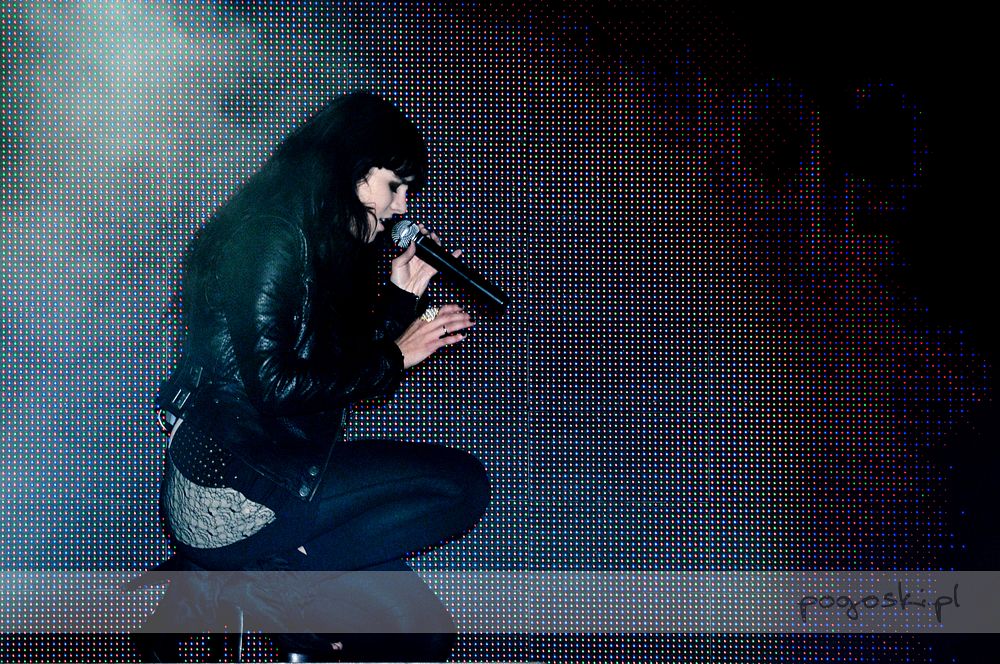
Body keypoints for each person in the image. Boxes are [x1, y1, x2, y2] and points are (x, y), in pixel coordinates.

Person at [132, 91, 490, 662]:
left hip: (282, 473)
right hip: (234, 491)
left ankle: (223, 579)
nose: (401, 207)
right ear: (351, 170)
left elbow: (334, 375)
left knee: (425, 636)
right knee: (461, 485)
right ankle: (236, 583)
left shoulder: (321, 246)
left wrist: (400, 299)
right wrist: (396, 356)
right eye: (395, 186)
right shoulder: (268, 236)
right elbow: (275, 387)